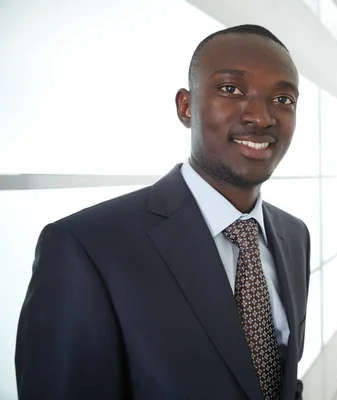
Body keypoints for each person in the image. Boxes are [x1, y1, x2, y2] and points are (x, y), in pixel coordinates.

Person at [15, 24, 310, 400]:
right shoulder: (86, 248)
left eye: (283, 99)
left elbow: (282, 378)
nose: (261, 117)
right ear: (185, 107)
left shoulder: (294, 235)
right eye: (231, 89)